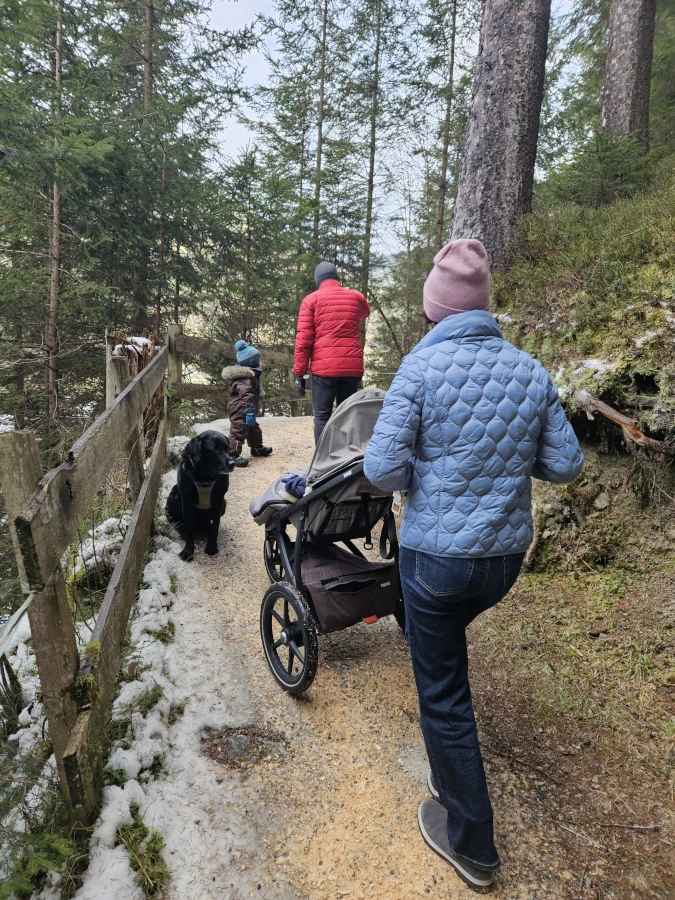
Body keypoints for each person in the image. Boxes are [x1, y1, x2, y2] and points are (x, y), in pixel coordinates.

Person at [363, 239, 584, 892]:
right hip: (502, 565)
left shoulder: (418, 370)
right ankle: (449, 772)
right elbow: (566, 465)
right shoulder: (529, 370)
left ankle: (472, 843)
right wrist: (507, 462)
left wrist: (427, 473)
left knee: (443, 692)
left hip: (436, 561)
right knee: (442, 654)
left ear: (435, 308)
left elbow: (381, 468)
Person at [294, 261, 370, 443]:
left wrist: (299, 374)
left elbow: (304, 341)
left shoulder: (311, 300)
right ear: (337, 277)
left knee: (322, 416)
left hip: (325, 369)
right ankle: (346, 456)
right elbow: (364, 313)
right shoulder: (356, 297)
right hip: (351, 368)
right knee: (347, 415)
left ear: (317, 281)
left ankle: (322, 459)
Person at [221, 340, 273, 468]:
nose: (260, 362)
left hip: (247, 408)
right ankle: (232, 454)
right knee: (238, 430)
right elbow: (246, 396)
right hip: (240, 409)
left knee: (253, 428)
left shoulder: (250, 376)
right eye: (258, 360)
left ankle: (257, 448)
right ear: (253, 363)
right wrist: (249, 411)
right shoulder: (245, 379)